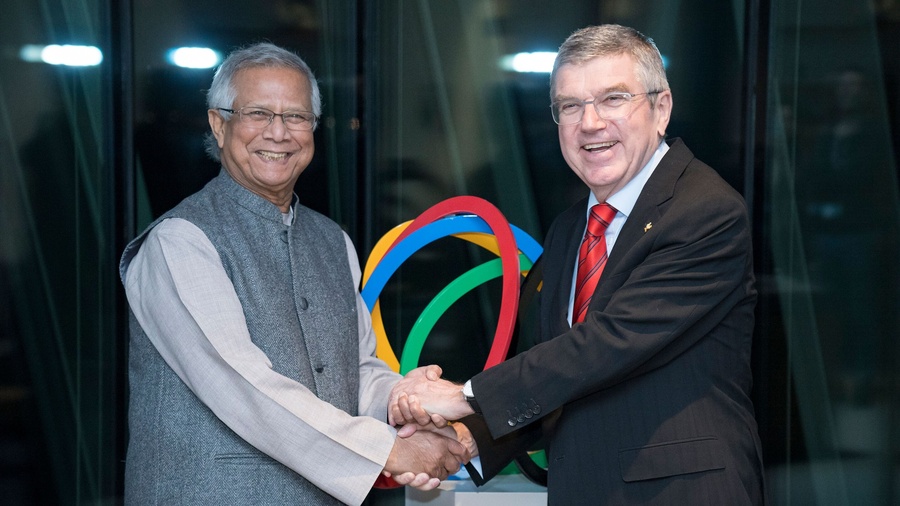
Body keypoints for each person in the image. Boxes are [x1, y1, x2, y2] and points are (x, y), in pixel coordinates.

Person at [389, 24, 767, 505]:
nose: (589, 123)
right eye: (570, 106)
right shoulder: (571, 229)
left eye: (613, 99)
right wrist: (465, 443)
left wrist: (462, 395)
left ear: (661, 109)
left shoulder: (705, 211)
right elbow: (555, 369)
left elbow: (606, 346)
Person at [119, 42, 467, 505]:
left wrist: (405, 399)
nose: (279, 133)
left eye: (297, 117)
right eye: (258, 113)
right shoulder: (178, 242)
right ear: (219, 125)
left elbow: (357, 370)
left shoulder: (332, 241)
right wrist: (391, 451)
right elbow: (244, 387)